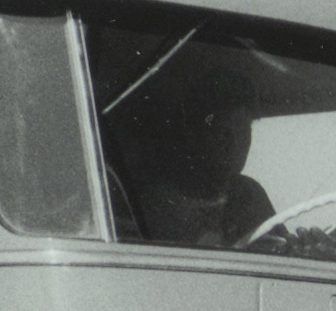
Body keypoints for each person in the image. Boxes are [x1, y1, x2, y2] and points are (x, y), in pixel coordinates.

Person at [112, 77, 273, 249]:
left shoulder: (249, 193)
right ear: (195, 134)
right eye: (222, 132)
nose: (235, 144)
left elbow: (277, 244)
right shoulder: (158, 205)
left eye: (243, 131)